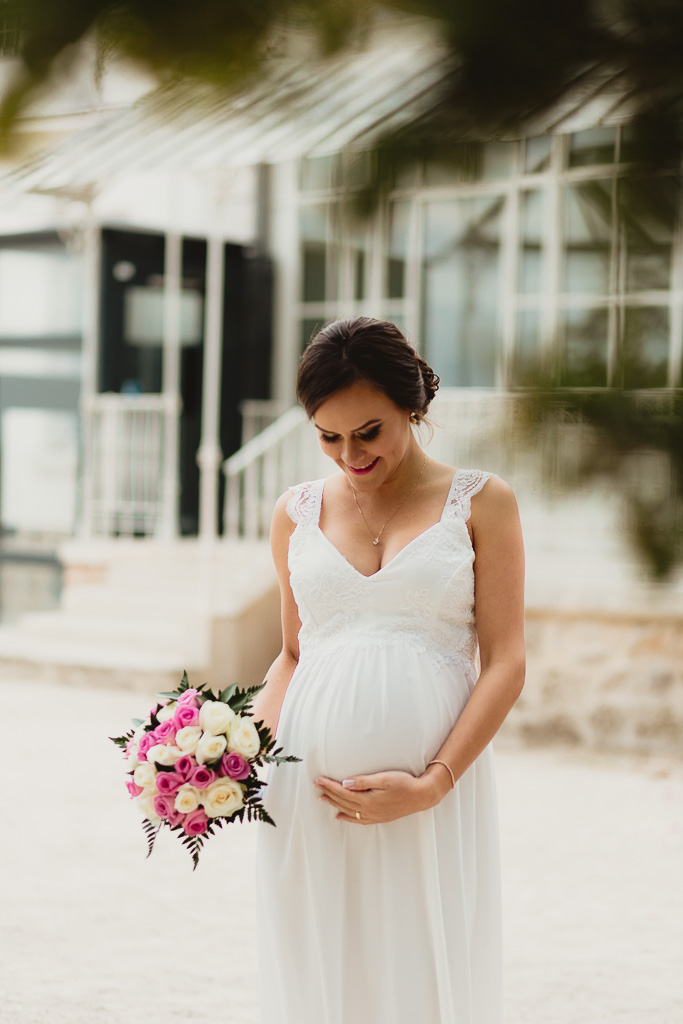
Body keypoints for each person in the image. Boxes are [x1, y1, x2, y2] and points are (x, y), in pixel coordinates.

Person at [252, 316, 525, 1024]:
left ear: (413, 405)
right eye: (328, 436)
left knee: (421, 964)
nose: (349, 455)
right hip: (304, 788)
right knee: (318, 963)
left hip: (430, 788)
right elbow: (291, 653)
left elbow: (504, 660)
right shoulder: (294, 512)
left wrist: (433, 783)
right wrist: (233, 746)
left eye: (368, 432)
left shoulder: (482, 502)